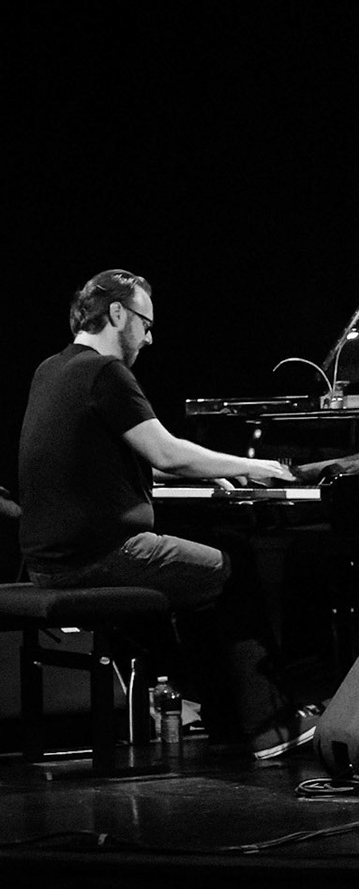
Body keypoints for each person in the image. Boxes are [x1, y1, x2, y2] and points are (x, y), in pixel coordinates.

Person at [15, 270, 322, 758]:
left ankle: (225, 718)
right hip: (101, 557)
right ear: (117, 313)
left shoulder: (51, 369)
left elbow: (99, 467)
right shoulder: (106, 372)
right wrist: (255, 465)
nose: (150, 337)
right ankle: (269, 723)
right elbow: (167, 452)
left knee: (200, 580)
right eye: (145, 323)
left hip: (48, 562)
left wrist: (203, 473)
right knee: (234, 569)